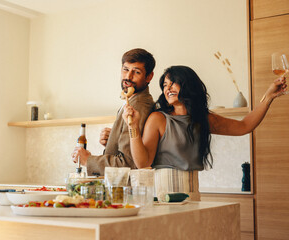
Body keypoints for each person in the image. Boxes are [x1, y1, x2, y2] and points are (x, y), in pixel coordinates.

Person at [122, 65, 287, 199]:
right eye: (165, 85)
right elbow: (143, 163)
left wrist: (269, 96)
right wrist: (133, 127)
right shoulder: (158, 119)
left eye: (173, 83)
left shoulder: (202, 119)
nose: (168, 88)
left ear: (187, 85)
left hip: (194, 197)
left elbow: (244, 126)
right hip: (164, 199)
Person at [71, 48, 156, 176]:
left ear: (149, 76)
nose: (128, 77)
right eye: (125, 69)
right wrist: (114, 139)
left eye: (136, 72)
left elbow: (128, 163)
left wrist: (88, 160)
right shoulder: (132, 100)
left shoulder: (138, 105)